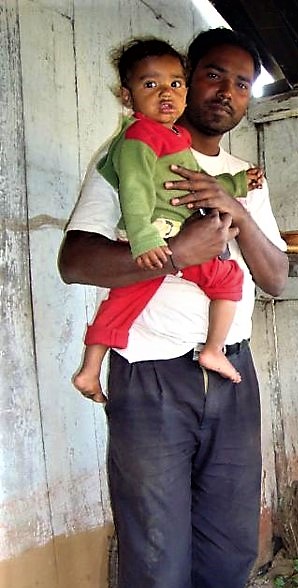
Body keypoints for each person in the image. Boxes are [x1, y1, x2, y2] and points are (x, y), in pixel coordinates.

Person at [59, 27, 289, 588]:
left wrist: (237, 212)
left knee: (224, 557)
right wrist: (177, 250)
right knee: (158, 565)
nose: (227, 92)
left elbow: (275, 276)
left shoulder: (244, 174)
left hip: (231, 376)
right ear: (187, 77)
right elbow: (76, 260)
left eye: (243, 82)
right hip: (152, 381)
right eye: (214, 75)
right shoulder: (127, 154)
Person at [74, 38, 265, 402]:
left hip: (166, 240)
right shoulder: (137, 140)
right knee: (228, 279)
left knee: (122, 302)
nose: (166, 93)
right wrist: (152, 242)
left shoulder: (171, 137)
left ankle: (88, 370)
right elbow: (133, 190)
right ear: (127, 95)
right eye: (150, 84)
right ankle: (214, 349)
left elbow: (198, 181)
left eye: (174, 84)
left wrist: (239, 185)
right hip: (162, 252)